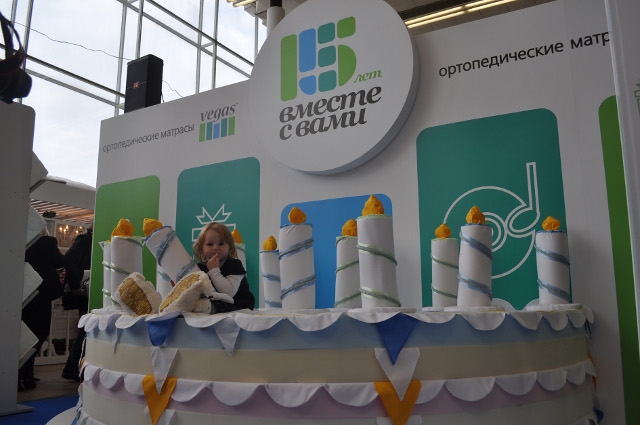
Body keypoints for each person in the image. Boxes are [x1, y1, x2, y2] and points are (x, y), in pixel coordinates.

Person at [20, 229, 65, 391]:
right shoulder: (47, 242)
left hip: (22, 294)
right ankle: (25, 374)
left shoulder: (20, 242)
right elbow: (60, 262)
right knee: (39, 334)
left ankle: (24, 375)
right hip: (41, 294)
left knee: (24, 336)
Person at [192, 222, 255, 313]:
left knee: (210, 304)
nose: (215, 247)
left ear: (230, 246)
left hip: (239, 304)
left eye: (221, 243)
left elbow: (229, 293)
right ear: (202, 248)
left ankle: (208, 308)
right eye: (210, 244)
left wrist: (214, 270)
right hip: (216, 301)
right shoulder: (200, 267)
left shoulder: (235, 264)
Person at [61, 226, 92, 382]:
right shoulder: (85, 240)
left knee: (86, 330)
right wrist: (75, 287)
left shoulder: (86, 241)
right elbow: (69, 260)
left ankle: (74, 368)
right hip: (84, 293)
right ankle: (73, 368)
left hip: (86, 292)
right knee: (86, 330)